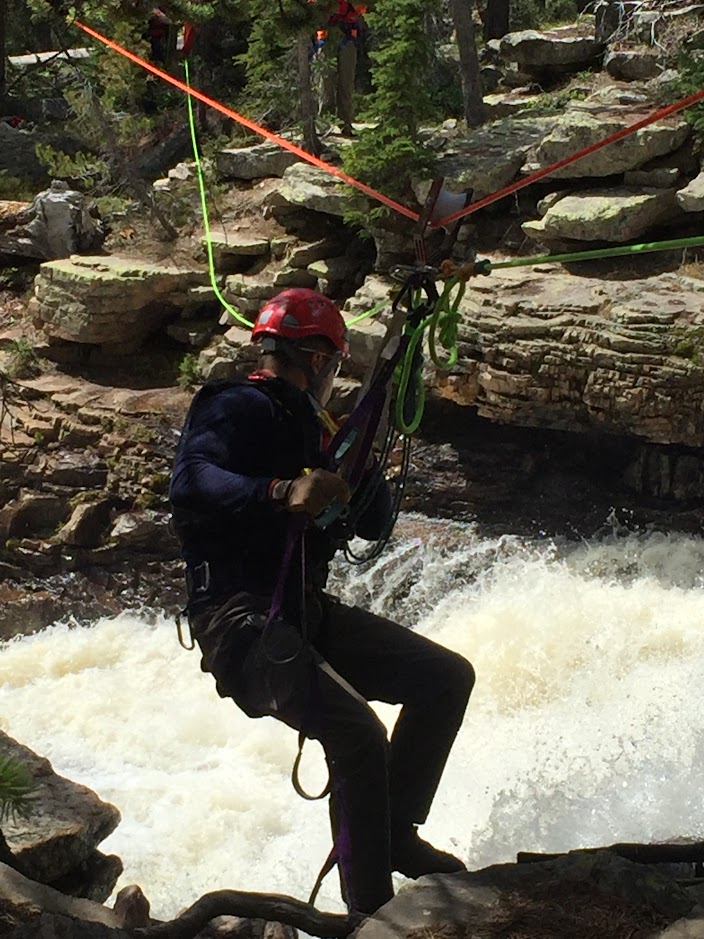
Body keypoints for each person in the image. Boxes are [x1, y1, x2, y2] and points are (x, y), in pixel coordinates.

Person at [169, 288, 475, 915]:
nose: (333, 380)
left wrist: (362, 470)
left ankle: (393, 836)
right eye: (332, 366)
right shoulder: (238, 405)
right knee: (358, 732)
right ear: (313, 358)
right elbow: (194, 479)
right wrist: (282, 490)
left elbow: (368, 524)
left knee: (444, 678)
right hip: (239, 620)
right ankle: (372, 912)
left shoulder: (316, 429)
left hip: (300, 608)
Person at [314, 0, 366, 136]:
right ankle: (323, 125)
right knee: (325, 82)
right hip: (326, 36)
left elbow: (362, 7)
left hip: (347, 37)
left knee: (346, 82)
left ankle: (346, 124)